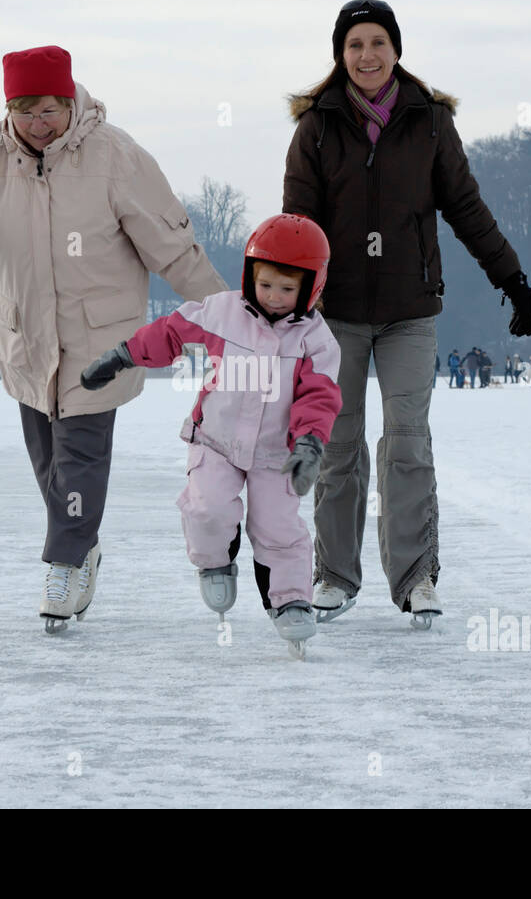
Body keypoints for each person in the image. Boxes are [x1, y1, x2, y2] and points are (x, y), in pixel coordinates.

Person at [0, 45, 227, 632]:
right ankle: (80, 544)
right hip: (27, 341)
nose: (38, 124)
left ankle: (64, 562)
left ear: (70, 101)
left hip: (98, 342)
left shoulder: (114, 155)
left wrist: (222, 313)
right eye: (25, 111)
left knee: (79, 458)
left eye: (49, 110)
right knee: (51, 465)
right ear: (9, 109)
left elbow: (171, 243)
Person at [283, 0, 531, 627]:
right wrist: (287, 303)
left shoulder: (430, 123)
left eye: (377, 43)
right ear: (339, 55)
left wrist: (512, 277)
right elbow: (297, 224)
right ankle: (335, 575)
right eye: (354, 46)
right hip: (336, 312)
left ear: (396, 49)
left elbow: (467, 209)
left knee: (408, 443)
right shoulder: (317, 127)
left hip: (409, 310)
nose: (366, 56)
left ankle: (416, 577)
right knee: (338, 444)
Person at [81, 214, 340, 658]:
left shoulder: (316, 341)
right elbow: (171, 333)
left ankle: (291, 599)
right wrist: (123, 355)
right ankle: (216, 560)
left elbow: (318, 397)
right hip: (216, 442)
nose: (274, 297)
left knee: (279, 527)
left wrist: (309, 443)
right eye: (266, 284)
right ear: (249, 275)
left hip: (276, 452)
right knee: (206, 510)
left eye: (286, 288)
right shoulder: (222, 311)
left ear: (311, 287)